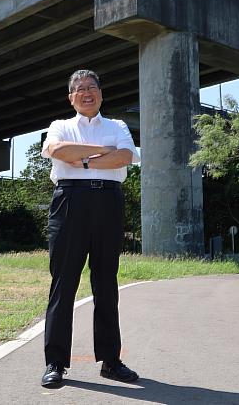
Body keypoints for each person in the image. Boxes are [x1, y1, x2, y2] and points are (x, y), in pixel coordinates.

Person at [39, 69, 141, 388]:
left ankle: (111, 361)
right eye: (79, 89)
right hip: (69, 202)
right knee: (63, 284)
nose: (86, 92)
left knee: (106, 284)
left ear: (101, 93)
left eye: (92, 87)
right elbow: (57, 151)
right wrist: (101, 155)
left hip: (108, 202)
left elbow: (126, 157)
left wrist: (80, 158)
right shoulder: (60, 126)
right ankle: (55, 362)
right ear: (71, 97)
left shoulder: (118, 126)